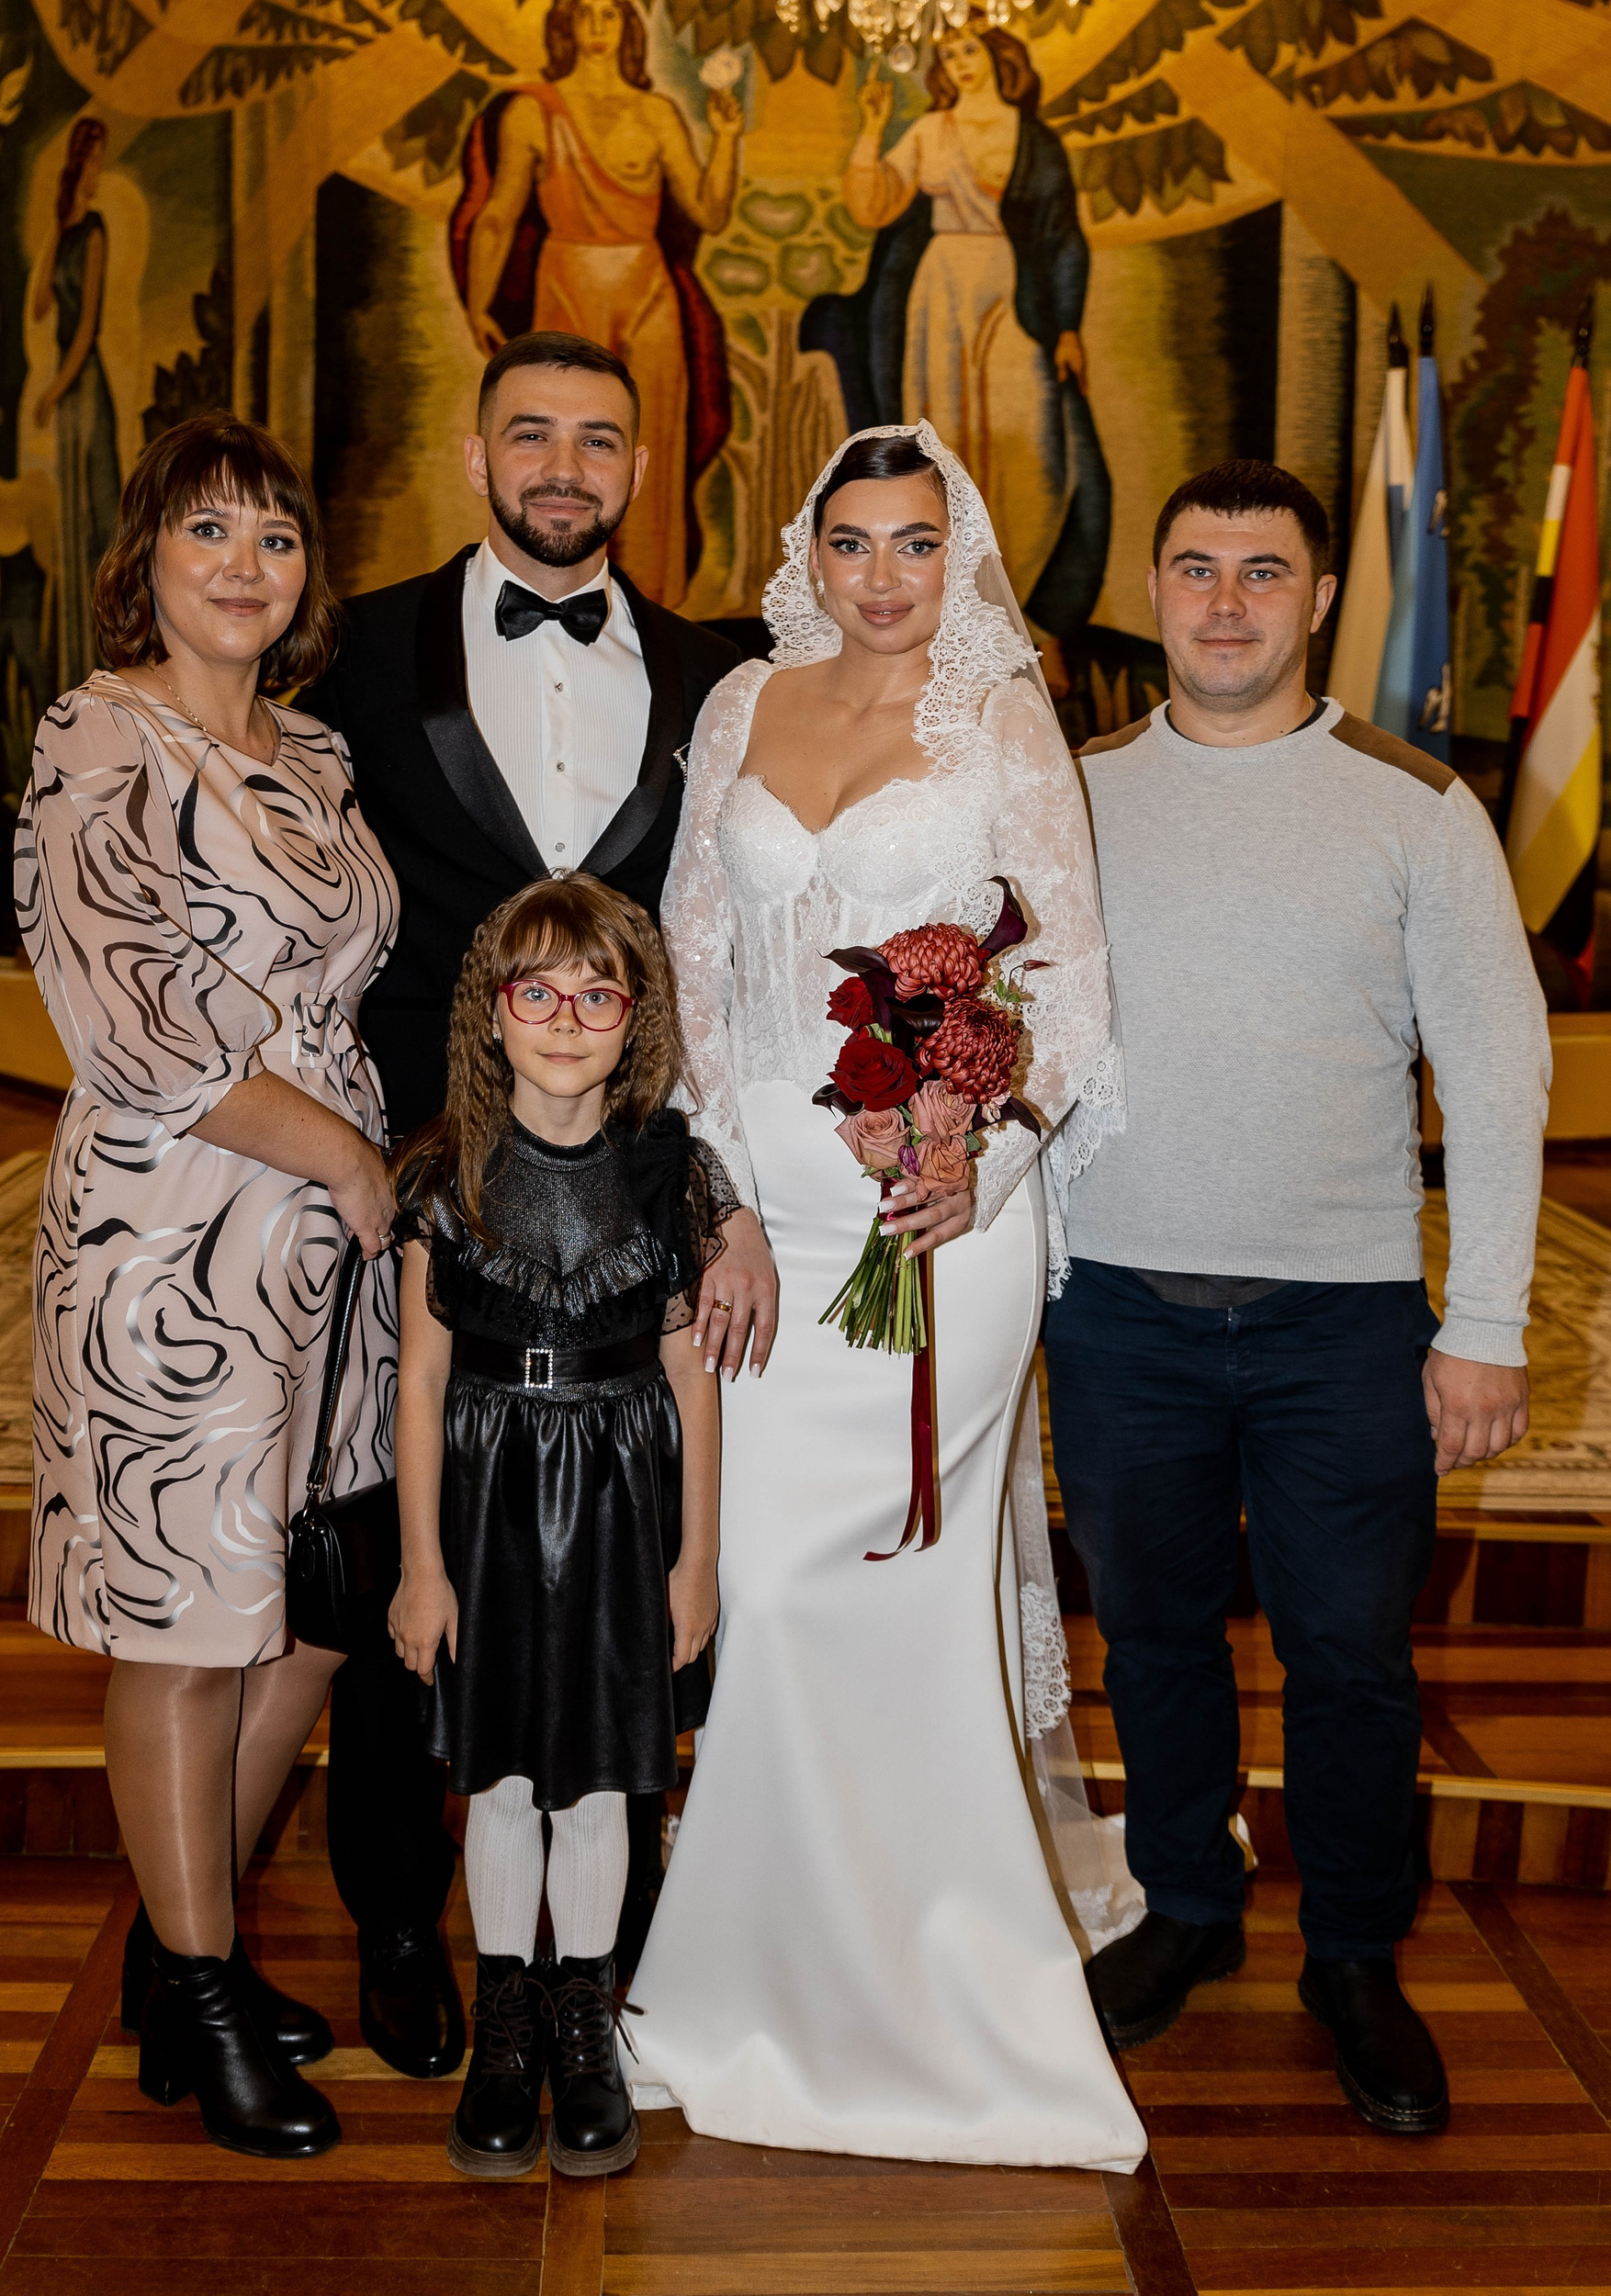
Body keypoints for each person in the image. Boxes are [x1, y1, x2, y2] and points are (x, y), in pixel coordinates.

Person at [628, 420, 1145, 2170]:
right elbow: (693, 965)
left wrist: (979, 1153)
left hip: (942, 1209)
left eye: (915, 542)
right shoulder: (740, 706)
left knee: (900, 1579)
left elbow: (1070, 983)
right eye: (850, 541)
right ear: (809, 553)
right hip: (763, 1203)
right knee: (768, 1584)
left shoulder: (1001, 721)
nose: (881, 576)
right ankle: (757, 1964)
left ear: (958, 553)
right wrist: (718, 1200)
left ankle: (939, 1974)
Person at [1045, 456, 1550, 2137]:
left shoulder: (1417, 806)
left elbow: (1497, 1076)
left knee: (1349, 1655)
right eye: (1197, 569)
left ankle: (1352, 1953)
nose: (1227, 602)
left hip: (1343, 1319)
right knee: (1154, 1636)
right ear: (1154, 590)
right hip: (1119, 1310)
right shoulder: (1072, 795)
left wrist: (1484, 1322)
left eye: (1264, 573)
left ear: (1321, 599)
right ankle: (1188, 1903)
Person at [300, 330, 775, 2078]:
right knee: (406, 1538)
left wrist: (723, 1187)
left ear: (641, 467)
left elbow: (735, 934)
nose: (563, 466)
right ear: (476, 452)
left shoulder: (726, 677)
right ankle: (395, 1923)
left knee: (611, 1542)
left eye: (597, 438)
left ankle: (595, 1957)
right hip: (415, 1173)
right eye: (531, 433)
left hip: (627, 1178)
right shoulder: (356, 648)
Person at [15, 414, 402, 2159]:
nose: (245, 565)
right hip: (172, 1235)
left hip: (331, 1253)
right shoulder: (98, 733)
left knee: (313, 1612)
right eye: (209, 531)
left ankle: (185, 1967)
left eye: (276, 536)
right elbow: (133, 1022)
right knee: (185, 1622)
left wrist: (365, 1177)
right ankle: (205, 1981)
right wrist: (342, 1157)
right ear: (146, 561)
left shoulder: (314, 748)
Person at [388, 874, 735, 2182]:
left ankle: (585, 2025)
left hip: (620, 1502)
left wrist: (697, 1561)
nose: (567, 1021)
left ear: (636, 1017)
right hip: (483, 1500)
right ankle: (507, 2024)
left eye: (598, 996)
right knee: (500, 1775)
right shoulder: (443, 1175)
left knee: (596, 1774)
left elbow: (693, 1377)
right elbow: (419, 1381)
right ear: (491, 1013)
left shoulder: (672, 1173)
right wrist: (422, 1567)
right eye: (537, 994)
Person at [803, 21, 1111, 640]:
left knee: (1033, 451)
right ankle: (948, 608)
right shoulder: (930, 130)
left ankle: (1015, 601)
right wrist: (871, 128)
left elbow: (1062, 236)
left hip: (1012, 292)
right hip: (940, 291)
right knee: (946, 446)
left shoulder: (1033, 138)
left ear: (999, 56)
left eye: (970, 50)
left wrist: (1067, 326)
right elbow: (874, 205)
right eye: (948, 54)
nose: (960, 63)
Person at [449, 0, 739, 605]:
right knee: (560, 447)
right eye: (586, 14)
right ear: (567, 26)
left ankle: (650, 606)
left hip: (647, 289)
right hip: (568, 280)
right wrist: (477, 304)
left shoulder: (656, 113)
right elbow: (498, 215)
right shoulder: (534, 110)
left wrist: (726, 139)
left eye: (611, 14)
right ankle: (554, 591)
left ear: (628, 27)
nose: (599, 27)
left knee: (648, 448)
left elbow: (709, 212)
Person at [32, 115, 121, 692]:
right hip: (68, 389)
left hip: (84, 385)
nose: (97, 172)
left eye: (101, 161)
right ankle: (73, 666)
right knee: (69, 524)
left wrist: (53, 391)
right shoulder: (68, 231)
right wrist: (55, 225)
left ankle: (108, 661)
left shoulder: (95, 232)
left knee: (97, 519)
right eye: (93, 160)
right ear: (78, 162)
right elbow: (41, 304)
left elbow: (86, 329)